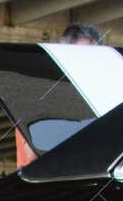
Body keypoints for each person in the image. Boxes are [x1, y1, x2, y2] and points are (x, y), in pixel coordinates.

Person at [15, 24, 110, 166]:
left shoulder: (103, 100)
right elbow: (32, 153)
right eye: (80, 58)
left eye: (93, 58)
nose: (87, 65)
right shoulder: (42, 96)